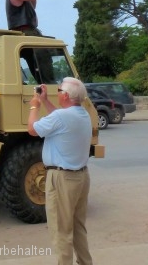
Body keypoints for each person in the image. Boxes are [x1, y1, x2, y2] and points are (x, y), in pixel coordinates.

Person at [28, 77, 93, 265]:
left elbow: (32, 129)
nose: (57, 93)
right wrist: (45, 101)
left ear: (65, 95)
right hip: (80, 177)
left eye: (58, 90)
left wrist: (34, 106)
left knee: (61, 229)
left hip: (62, 178)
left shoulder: (62, 117)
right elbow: (60, 118)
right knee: (78, 227)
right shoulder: (81, 114)